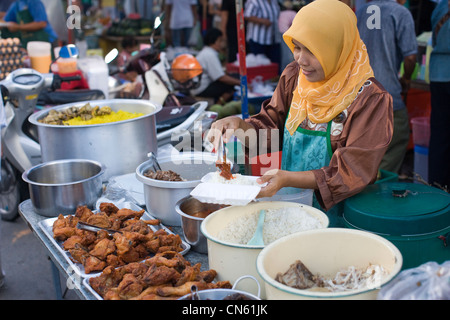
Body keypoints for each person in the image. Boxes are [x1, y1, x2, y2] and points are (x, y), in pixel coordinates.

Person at [208, 0, 393, 226]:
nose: (300, 59)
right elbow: (270, 130)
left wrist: (288, 178)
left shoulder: (370, 99)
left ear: (338, 47)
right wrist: (238, 125)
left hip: (338, 218)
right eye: (297, 46)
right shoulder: (295, 77)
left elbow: (352, 171)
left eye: (313, 50)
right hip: (290, 206)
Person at [356, 0, 417, 175]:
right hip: (388, 99)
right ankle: (377, 195)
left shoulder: (359, 13)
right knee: (390, 154)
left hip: (357, 98)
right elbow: (411, 58)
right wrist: (405, 78)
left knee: (362, 158)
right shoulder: (400, 13)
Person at [428, 0, 450, 190]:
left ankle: (436, 188)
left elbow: (434, 41)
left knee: (439, 136)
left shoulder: (440, 7)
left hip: (438, 75)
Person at [191, 28, 241, 104]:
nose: (222, 44)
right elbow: (220, 77)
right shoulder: (209, 54)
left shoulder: (207, 52)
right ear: (214, 41)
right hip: (201, 88)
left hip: (198, 86)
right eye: (220, 41)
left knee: (232, 79)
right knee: (231, 85)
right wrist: (241, 82)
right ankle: (217, 105)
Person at [244, 0, 281, 68]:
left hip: (273, 38)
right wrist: (262, 21)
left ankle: (275, 78)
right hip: (258, 39)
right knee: (259, 66)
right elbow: (247, 15)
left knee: (274, 65)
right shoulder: (254, 1)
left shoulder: (274, 1)